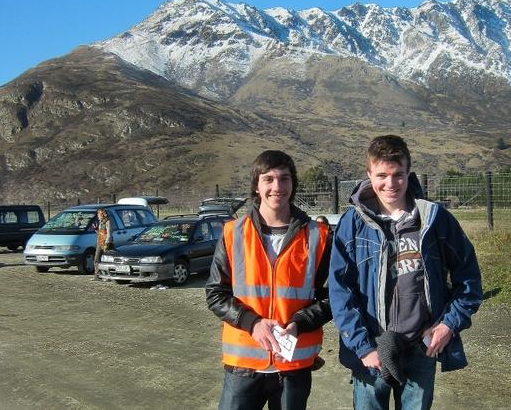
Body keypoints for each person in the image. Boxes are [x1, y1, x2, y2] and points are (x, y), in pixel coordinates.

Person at [329, 135, 482, 410]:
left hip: (421, 347)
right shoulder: (352, 224)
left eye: (398, 174)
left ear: (408, 172)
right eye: (382, 175)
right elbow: (340, 291)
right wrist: (363, 347)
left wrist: (448, 324)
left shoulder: (434, 220)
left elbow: (469, 278)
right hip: (372, 351)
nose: (390, 184)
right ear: (368, 174)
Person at [206, 150, 332, 410]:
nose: (277, 187)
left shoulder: (318, 236)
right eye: (269, 179)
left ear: (293, 184)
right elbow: (216, 294)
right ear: (256, 185)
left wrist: (299, 322)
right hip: (243, 364)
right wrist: (253, 323)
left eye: (284, 179)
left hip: (294, 365)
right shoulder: (233, 233)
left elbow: (332, 297)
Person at [92, 208, 113, 281]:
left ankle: (107, 276)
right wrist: (96, 229)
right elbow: (100, 233)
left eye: (98, 214)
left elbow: (109, 232)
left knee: (106, 259)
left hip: (105, 242)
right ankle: (97, 275)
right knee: (97, 259)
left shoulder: (108, 221)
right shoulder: (100, 222)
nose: (97, 215)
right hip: (100, 241)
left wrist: (107, 242)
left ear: (102, 214)